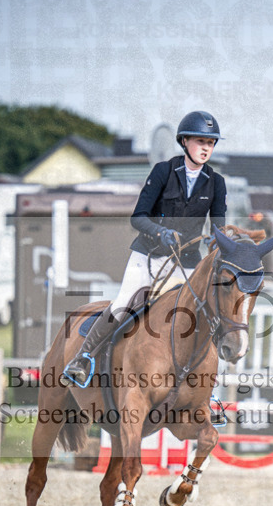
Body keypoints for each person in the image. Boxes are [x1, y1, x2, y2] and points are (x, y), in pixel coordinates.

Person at [62, 111, 227, 387]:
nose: (206, 148)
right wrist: (160, 232)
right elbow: (137, 217)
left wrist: (218, 240)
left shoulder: (216, 183)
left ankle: (207, 392)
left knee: (205, 316)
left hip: (186, 261)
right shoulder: (163, 171)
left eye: (210, 143)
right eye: (201, 142)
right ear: (184, 141)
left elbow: (218, 226)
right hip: (149, 255)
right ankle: (83, 357)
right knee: (125, 304)